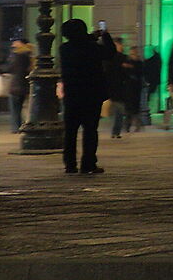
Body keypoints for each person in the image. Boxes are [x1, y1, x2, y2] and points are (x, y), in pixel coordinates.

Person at [58, 19, 107, 174]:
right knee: (90, 130)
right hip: (91, 94)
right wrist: (103, 35)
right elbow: (110, 52)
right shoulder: (93, 48)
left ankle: (70, 164)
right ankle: (88, 163)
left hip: (72, 94)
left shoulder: (64, 49)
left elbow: (78, 44)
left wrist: (90, 38)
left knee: (70, 131)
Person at [100, 30, 137, 141]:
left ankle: (117, 131)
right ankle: (116, 131)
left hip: (117, 89)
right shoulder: (116, 58)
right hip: (116, 89)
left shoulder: (117, 58)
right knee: (119, 111)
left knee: (119, 111)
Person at [2, 38, 32, 135]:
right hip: (24, 85)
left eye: (15, 42)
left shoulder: (17, 55)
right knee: (20, 108)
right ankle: (22, 125)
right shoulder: (29, 55)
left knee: (15, 109)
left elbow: (9, 68)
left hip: (15, 85)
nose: (13, 44)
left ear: (20, 44)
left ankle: (16, 127)